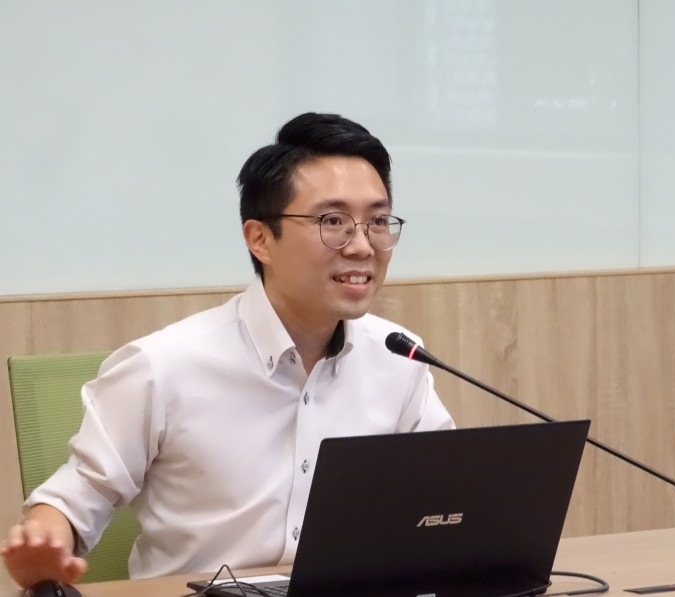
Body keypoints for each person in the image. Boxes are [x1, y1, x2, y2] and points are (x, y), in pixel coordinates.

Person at [1, 112, 454, 588]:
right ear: (260, 239)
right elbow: (75, 497)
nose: (362, 246)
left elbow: (446, 497)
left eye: (378, 221)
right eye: (333, 221)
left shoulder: (399, 358)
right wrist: (43, 547)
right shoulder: (163, 366)